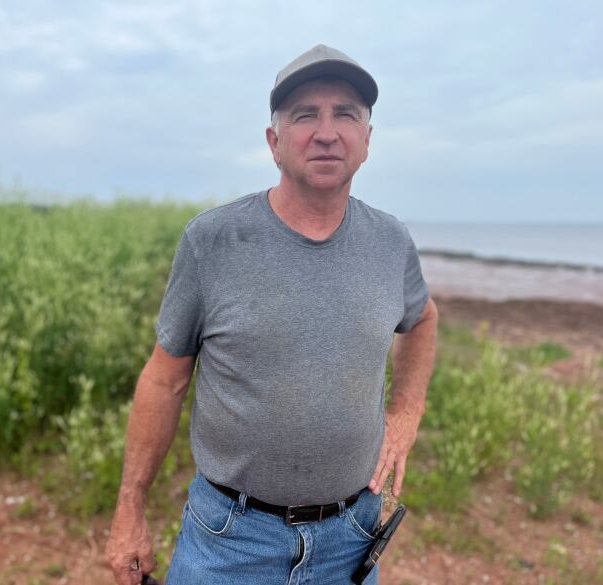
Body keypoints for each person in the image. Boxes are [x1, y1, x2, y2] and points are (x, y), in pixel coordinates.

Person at [105, 44, 438, 585]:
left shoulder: (390, 241)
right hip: (229, 541)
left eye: (346, 114)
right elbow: (163, 381)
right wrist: (129, 511)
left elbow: (422, 319)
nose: (327, 132)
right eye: (305, 115)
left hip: (350, 540)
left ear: (367, 142)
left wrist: (406, 413)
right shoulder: (213, 241)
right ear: (274, 142)